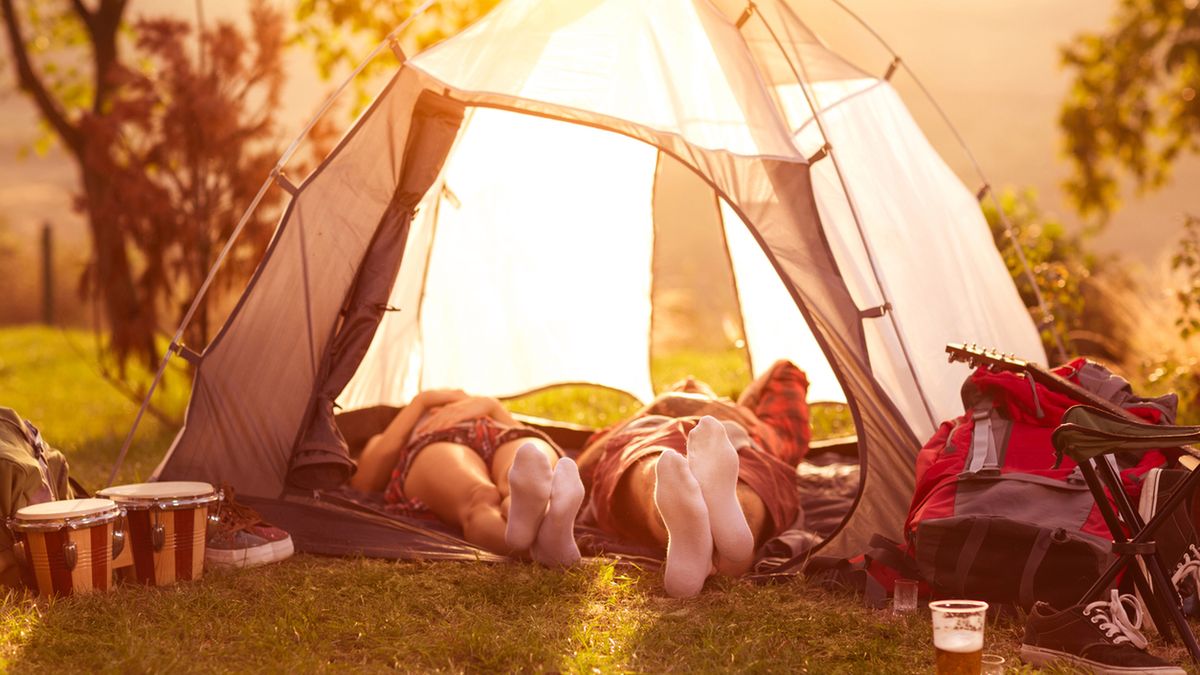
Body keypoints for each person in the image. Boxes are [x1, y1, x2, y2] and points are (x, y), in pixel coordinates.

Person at [575, 359, 810, 597]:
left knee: (663, 466)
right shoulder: (651, 415)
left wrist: (737, 409)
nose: (689, 383)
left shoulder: (755, 425)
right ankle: (731, 550)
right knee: (664, 466)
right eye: (682, 388)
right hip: (653, 431)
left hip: (738, 441)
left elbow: (785, 369)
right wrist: (662, 406)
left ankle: (698, 544)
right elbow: (584, 467)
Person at [349, 389, 586, 566]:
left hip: (497, 433)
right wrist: (421, 402)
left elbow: (530, 453)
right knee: (480, 496)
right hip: (434, 442)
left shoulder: (484, 409)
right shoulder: (402, 426)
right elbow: (364, 482)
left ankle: (542, 528)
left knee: (528, 462)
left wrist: (491, 406)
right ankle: (542, 547)